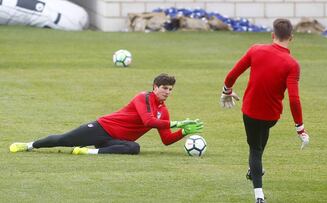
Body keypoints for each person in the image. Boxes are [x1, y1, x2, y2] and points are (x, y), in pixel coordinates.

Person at [220, 18, 310, 203]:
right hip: (271, 116)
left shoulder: (256, 49)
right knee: (259, 145)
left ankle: (258, 195)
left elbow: (232, 74)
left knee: (254, 149)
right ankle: (255, 170)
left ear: (272, 35)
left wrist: (226, 91)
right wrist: (300, 128)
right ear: (291, 37)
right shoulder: (292, 64)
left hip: (250, 112)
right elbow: (294, 99)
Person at [10, 73, 203, 155]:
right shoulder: (142, 97)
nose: (167, 92)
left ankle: (89, 152)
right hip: (103, 128)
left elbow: (166, 140)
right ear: (155, 87)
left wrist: (184, 131)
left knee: (134, 148)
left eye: (170, 89)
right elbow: (148, 120)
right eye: (164, 88)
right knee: (65, 139)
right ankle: (28, 145)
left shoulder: (164, 110)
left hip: (115, 141)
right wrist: (177, 123)